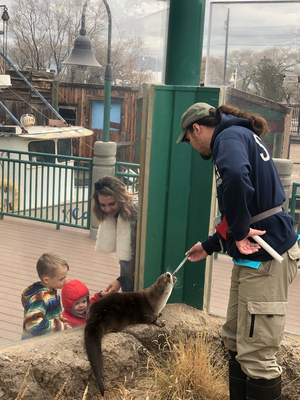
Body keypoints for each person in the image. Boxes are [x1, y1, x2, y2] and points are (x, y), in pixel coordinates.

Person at [176, 102, 300, 400]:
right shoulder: (239, 136)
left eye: (190, 140)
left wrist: (241, 229)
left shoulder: (227, 139)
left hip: (268, 258)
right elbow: (249, 204)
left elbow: (235, 178)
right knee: (234, 341)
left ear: (197, 129)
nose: (193, 146)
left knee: (257, 357)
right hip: (251, 258)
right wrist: (211, 244)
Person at [92, 175, 138, 293]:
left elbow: (138, 252)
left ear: (121, 198)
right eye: (103, 205)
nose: (107, 209)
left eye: (112, 204)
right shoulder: (114, 214)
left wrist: (120, 280)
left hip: (139, 265)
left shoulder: (135, 213)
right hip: (127, 266)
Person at [21, 252, 72, 339]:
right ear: (46, 280)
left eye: (66, 276)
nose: (66, 280)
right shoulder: (40, 299)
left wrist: (65, 323)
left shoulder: (52, 291)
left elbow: (55, 316)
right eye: (62, 278)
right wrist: (60, 325)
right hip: (34, 344)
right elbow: (33, 325)